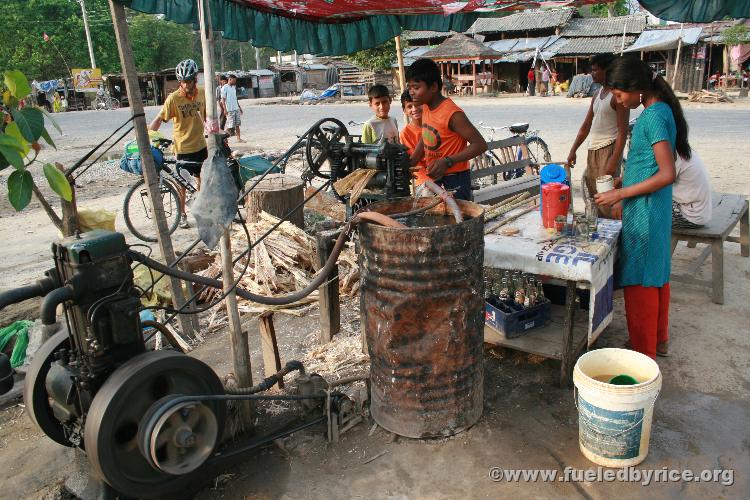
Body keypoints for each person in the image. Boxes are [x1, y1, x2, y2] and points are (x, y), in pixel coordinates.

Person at [594, 56, 690, 359]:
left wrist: (617, 195)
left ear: (635, 87)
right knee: (657, 273)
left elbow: (666, 173)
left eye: (620, 95)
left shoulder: (652, 117)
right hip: (654, 207)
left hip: (646, 211)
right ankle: (658, 340)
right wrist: (627, 177)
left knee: (641, 280)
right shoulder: (659, 109)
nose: (619, 102)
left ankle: (643, 353)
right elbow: (654, 164)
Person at [406, 58, 487, 201]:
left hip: (456, 178)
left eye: (416, 88)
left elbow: (480, 145)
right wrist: (412, 161)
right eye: (410, 87)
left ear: (433, 87)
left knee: (458, 216)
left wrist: (448, 161)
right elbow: (426, 136)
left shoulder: (452, 113)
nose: (411, 92)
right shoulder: (426, 106)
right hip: (436, 176)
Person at [567, 53, 630, 218]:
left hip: (608, 151)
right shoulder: (597, 95)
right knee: (595, 200)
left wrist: (613, 163)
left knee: (608, 202)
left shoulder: (617, 97)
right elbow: (586, 126)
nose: (592, 73)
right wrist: (573, 150)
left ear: (607, 70)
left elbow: (623, 133)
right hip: (593, 151)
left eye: (595, 70)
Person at [149, 59, 206, 228]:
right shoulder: (173, 99)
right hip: (182, 148)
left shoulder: (202, 93)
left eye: (189, 81)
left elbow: (208, 116)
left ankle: (201, 211)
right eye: (183, 81)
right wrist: (148, 136)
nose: (186, 85)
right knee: (182, 185)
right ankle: (182, 214)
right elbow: (159, 119)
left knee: (201, 181)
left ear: (195, 79)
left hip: (201, 145)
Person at [672, 150, 712, 228]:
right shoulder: (688, 152)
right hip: (700, 213)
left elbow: (661, 181)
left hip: (689, 216)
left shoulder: (676, 156)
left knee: (644, 214)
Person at [398, 90, 427, 186]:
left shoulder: (435, 124)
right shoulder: (405, 134)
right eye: (410, 106)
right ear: (405, 111)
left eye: (417, 104)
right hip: (423, 178)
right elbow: (413, 163)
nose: (414, 109)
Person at [222, 73, 244, 143]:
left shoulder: (233, 87)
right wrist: (225, 109)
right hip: (230, 110)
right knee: (230, 127)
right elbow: (223, 99)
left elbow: (235, 98)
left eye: (235, 80)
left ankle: (239, 138)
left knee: (237, 125)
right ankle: (223, 137)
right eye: (234, 80)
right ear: (230, 79)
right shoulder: (224, 87)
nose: (235, 82)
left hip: (236, 109)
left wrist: (239, 108)